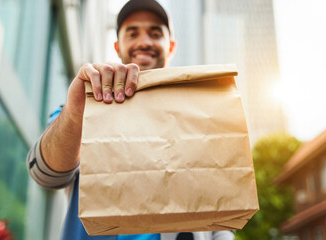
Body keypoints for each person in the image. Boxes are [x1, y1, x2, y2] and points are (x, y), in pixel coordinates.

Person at [26, 0, 235, 239]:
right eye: (132, 33)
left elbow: (220, 216)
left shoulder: (200, 117)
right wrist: (75, 115)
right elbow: (45, 175)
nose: (144, 41)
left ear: (171, 46)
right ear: (117, 46)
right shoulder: (85, 109)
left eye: (155, 33)